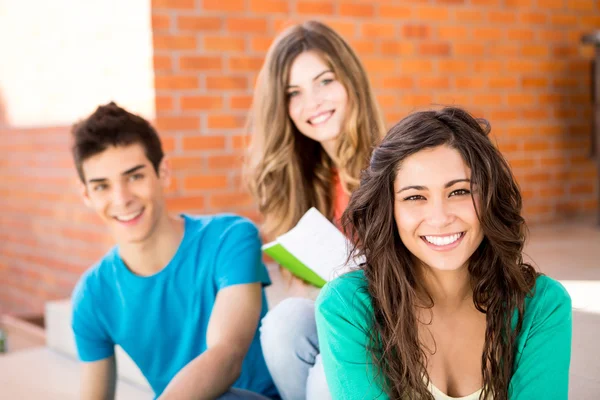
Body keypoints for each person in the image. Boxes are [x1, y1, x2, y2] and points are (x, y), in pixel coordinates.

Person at [316, 107, 573, 400]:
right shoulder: (347, 306)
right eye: (415, 197)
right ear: (389, 210)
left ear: (489, 196)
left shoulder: (542, 304)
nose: (439, 218)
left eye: (459, 192)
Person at [70, 102, 278, 400]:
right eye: (102, 186)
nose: (122, 199)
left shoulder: (230, 238)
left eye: (135, 177)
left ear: (163, 173)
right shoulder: (92, 296)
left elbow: (227, 357)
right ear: (86, 195)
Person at [243, 20, 386, 399]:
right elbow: (308, 298)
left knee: (328, 372)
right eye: (294, 92)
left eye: (324, 81)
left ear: (350, 80)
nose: (313, 102)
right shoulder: (311, 182)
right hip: (345, 321)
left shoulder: (393, 165)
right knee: (281, 324)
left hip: (400, 330)